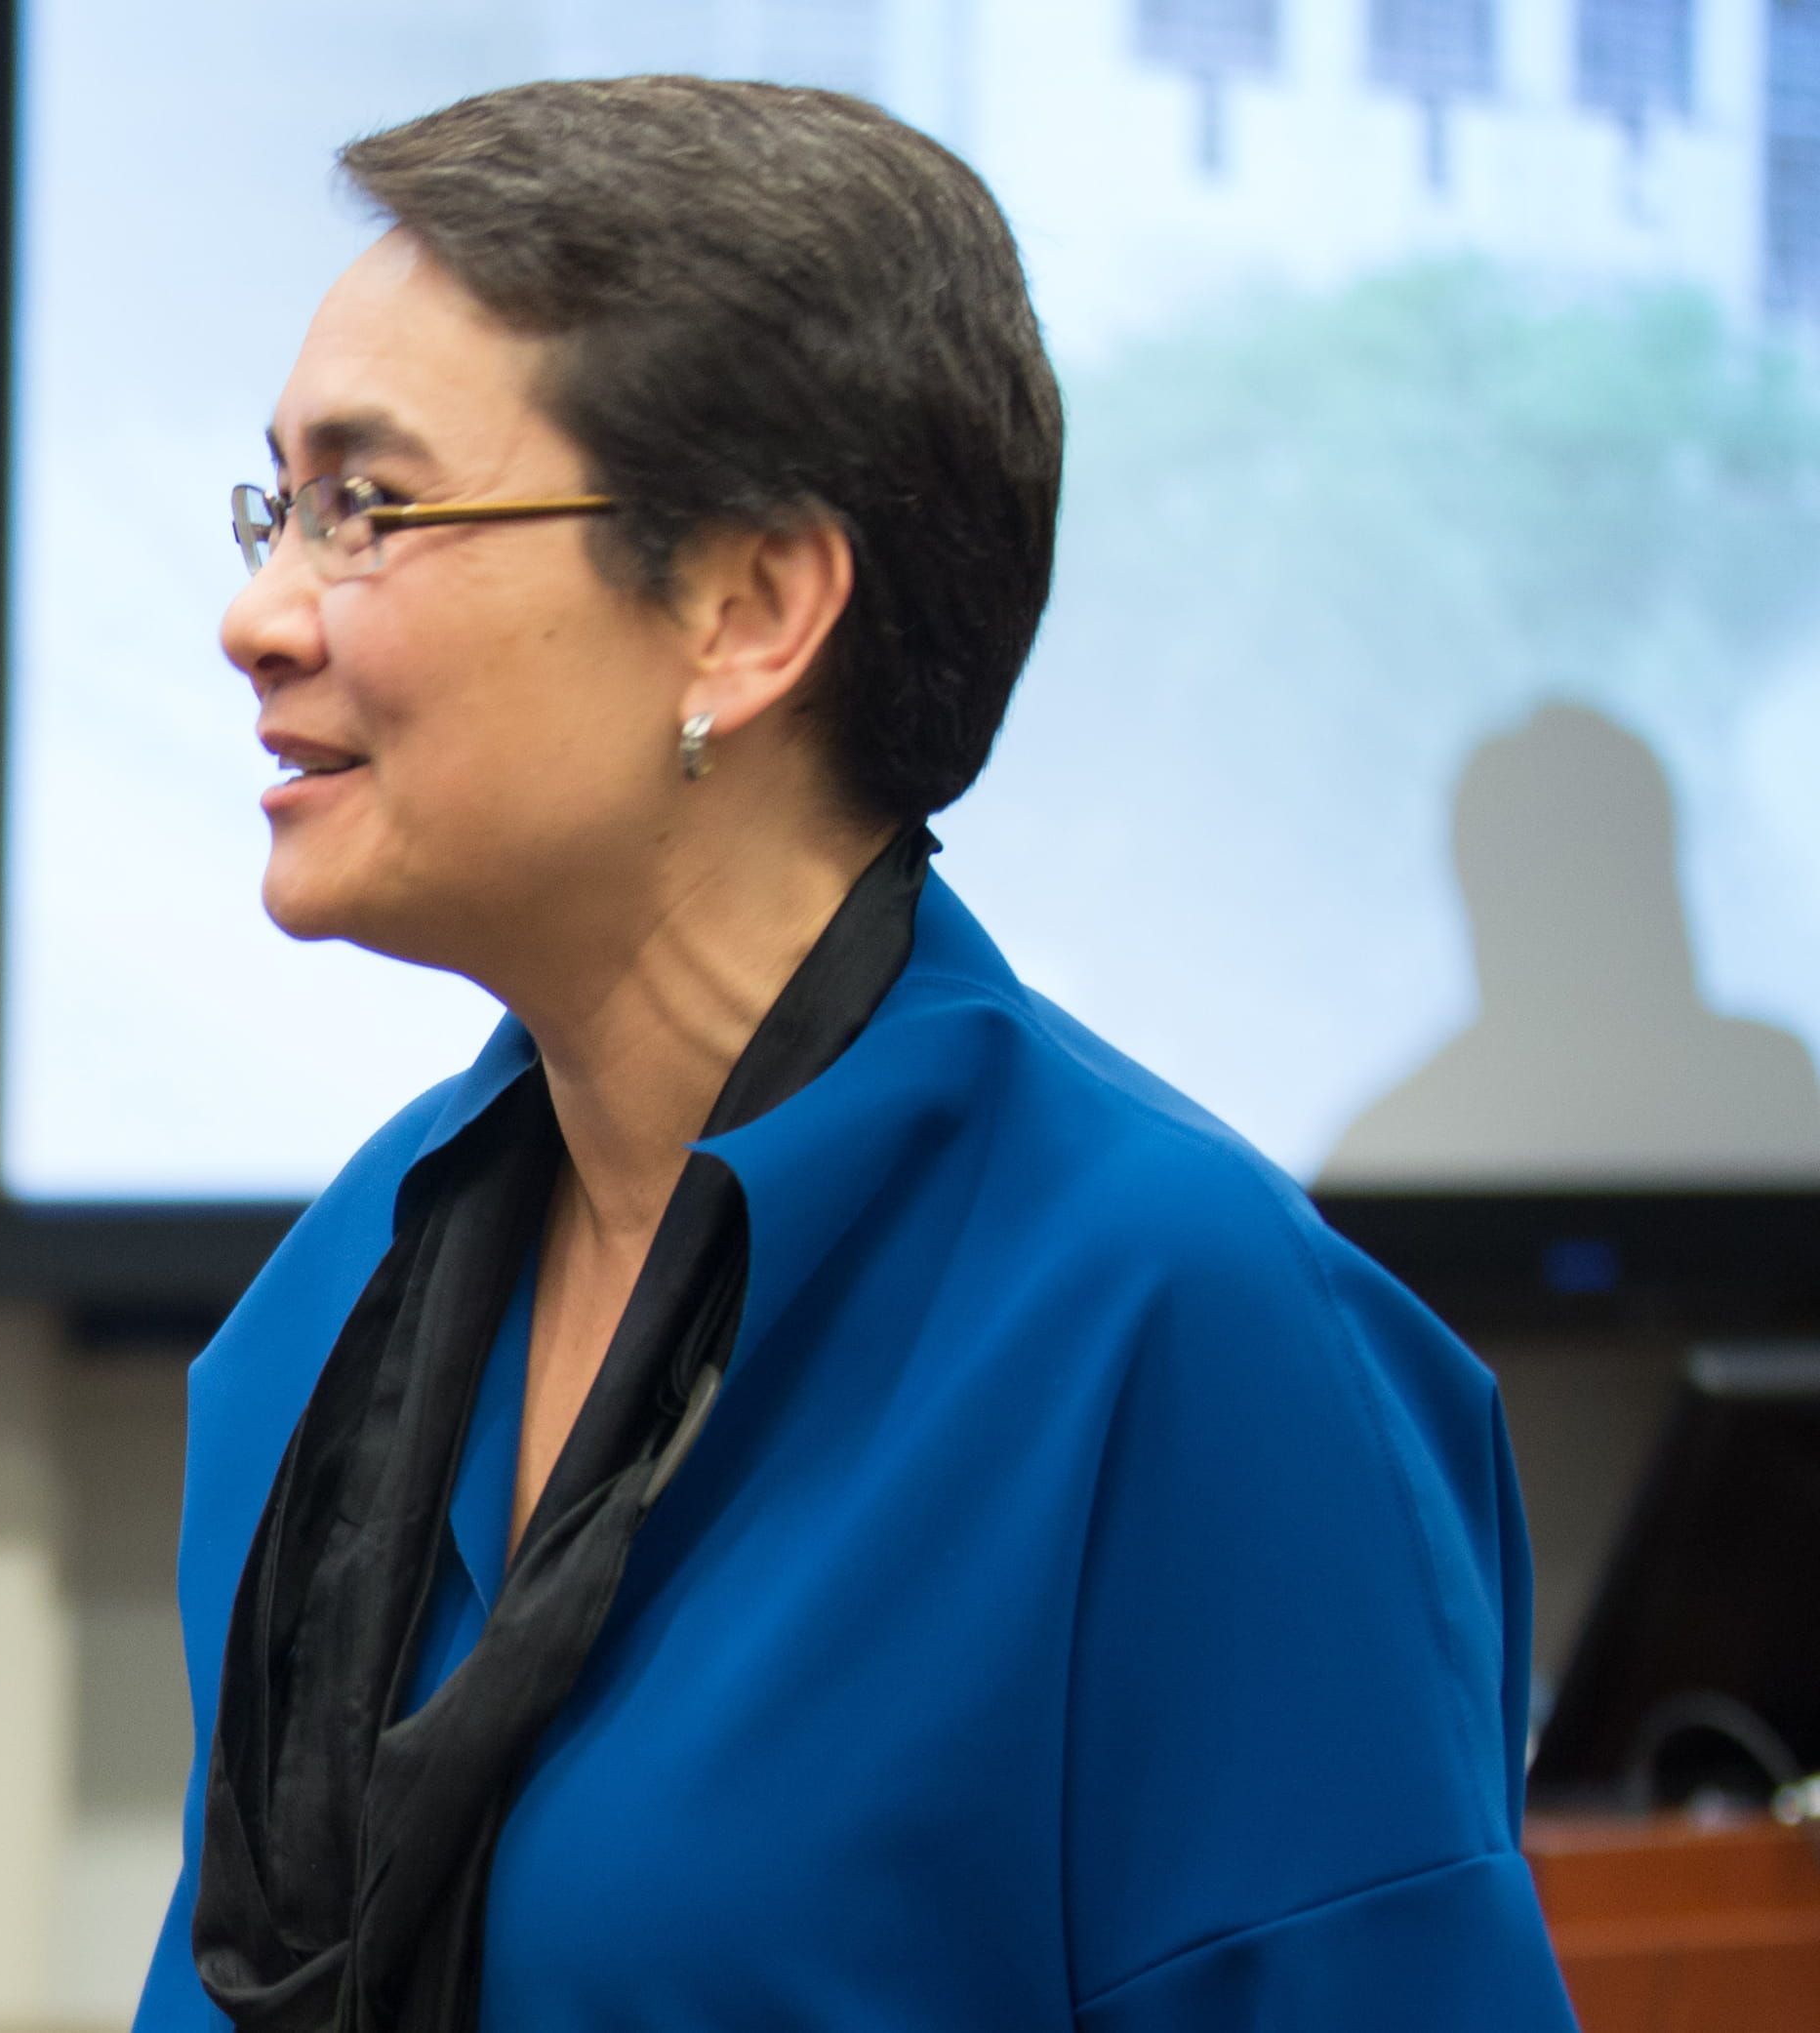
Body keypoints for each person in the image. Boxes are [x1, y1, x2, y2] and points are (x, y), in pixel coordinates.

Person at [140, 78, 1572, 2032]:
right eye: (275, 501)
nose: (256, 610)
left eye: (367, 508)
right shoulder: (325, 1325)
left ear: (745, 609)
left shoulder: (1183, 1335)